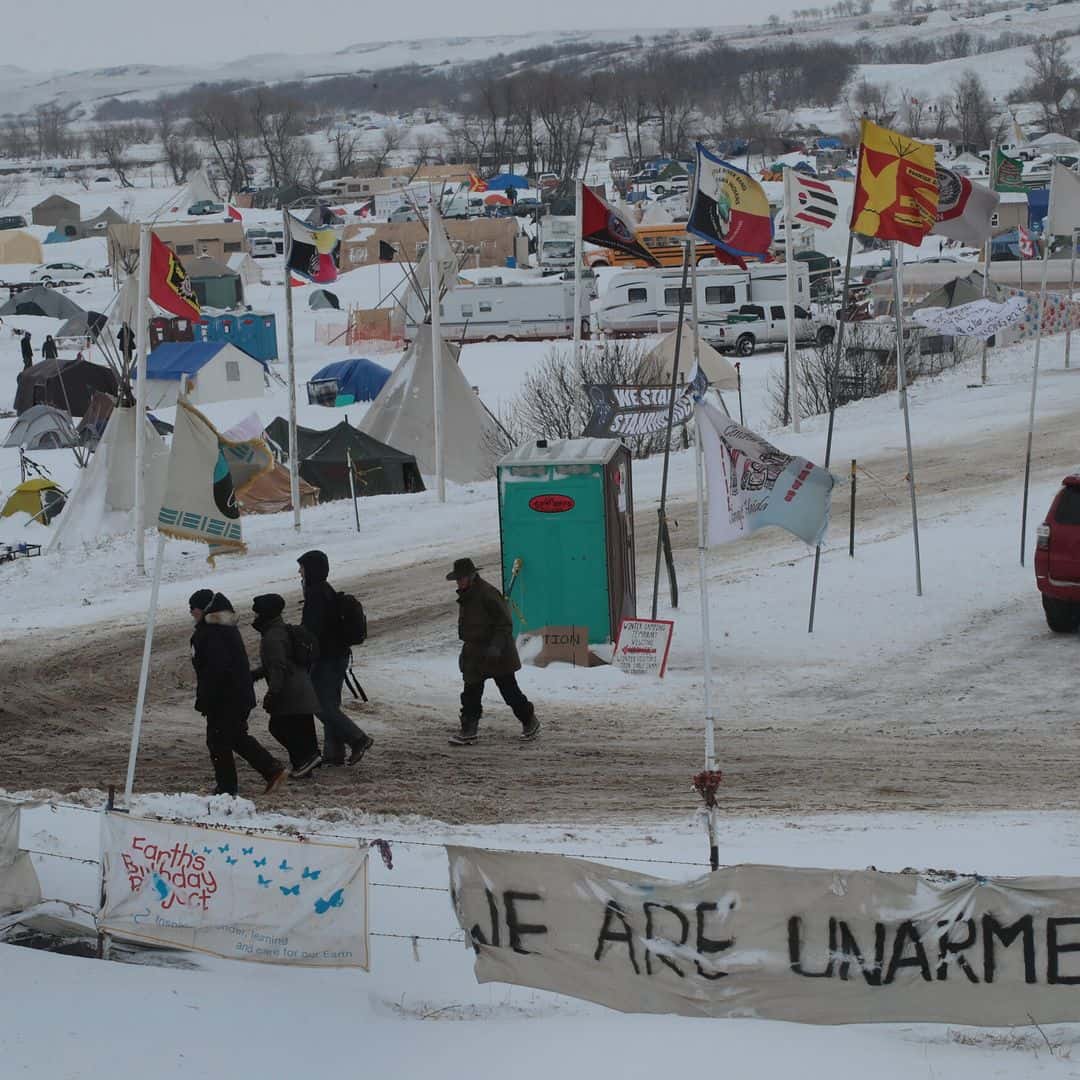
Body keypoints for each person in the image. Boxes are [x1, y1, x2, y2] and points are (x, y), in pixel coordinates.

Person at [189, 589, 286, 797]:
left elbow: (214, 670)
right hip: (237, 694)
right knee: (234, 737)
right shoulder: (224, 628)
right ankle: (270, 770)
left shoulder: (209, 633)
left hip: (225, 698)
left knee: (218, 741)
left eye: (193, 609)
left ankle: (228, 788)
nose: (192, 614)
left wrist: (206, 698)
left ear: (203, 609)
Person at [447, 557, 538, 746]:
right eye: (457, 579)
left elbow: (504, 623)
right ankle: (468, 730)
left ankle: (530, 721)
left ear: (471, 576)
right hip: (475, 653)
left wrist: (496, 647)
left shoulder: (487, 593)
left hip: (497, 654)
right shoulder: (467, 594)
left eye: (461, 578)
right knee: (470, 694)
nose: (459, 582)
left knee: (510, 692)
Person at [297, 550, 373, 766]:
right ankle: (334, 752)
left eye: (302, 567)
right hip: (337, 656)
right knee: (329, 704)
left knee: (318, 705)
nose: (299, 571)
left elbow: (313, 630)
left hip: (327, 658)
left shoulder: (316, 593)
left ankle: (358, 739)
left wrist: (296, 636)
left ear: (311, 569)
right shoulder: (323, 590)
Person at [250, 594, 322, 779]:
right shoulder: (279, 629)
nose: (255, 617)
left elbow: (277, 667)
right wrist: (256, 675)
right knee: (301, 728)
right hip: (301, 687)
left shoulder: (272, 636)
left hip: (290, 690)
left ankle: (307, 759)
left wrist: (273, 693)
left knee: (278, 726)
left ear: (265, 614)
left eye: (257, 613)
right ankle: (305, 765)